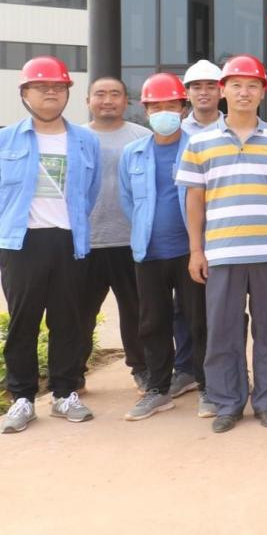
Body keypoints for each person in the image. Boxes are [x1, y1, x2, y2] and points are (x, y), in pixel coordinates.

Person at [177, 55, 267, 433]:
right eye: (236, 85)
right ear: (223, 91)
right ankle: (227, 403)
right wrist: (196, 251)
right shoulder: (200, 143)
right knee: (222, 331)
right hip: (221, 253)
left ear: (264, 92)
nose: (244, 92)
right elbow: (194, 201)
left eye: (252, 86)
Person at [0, 57, 100, 433]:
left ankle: (64, 393)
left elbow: (89, 193)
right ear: (25, 93)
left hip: (69, 241)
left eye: (58, 87)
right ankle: (23, 399)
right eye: (41, 87)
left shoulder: (85, 141)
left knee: (68, 320)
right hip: (22, 242)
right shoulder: (6, 139)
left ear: (68, 93)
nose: (51, 93)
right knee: (23, 321)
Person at [118, 73, 211, 421]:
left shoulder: (200, 147)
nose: (163, 113)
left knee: (199, 321)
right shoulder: (133, 153)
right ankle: (158, 389)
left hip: (191, 252)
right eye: (155, 107)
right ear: (145, 111)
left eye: (170, 106)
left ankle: (208, 386)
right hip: (149, 252)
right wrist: (147, 231)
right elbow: (128, 201)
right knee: (152, 323)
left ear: (183, 109)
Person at [81, 77, 151, 393]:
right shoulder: (75, 138)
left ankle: (143, 370)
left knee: (137, 312)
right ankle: (72, 374)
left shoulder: (143, 137)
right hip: (86, 242)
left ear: (126, 101)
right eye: (100, 94)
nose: (107, 100)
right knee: (79, 314)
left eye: (115, 94)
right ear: (88, 101)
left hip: (131, 241)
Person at [170, 58, 224, 399]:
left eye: (210, 86)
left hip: (224, 234)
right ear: (187, 93)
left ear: (221, 91)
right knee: (183, 307)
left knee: (225, 308)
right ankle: (186, 368)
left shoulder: (234, 127)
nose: (203, 92)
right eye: (196, 87)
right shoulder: (175, 131)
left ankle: (223, 371)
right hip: (184, 235)